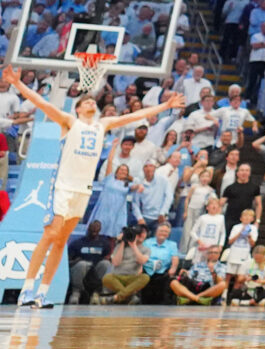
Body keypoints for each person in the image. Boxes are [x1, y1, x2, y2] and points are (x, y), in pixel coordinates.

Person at [2, 69, 164, 308]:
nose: (90, 101)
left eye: (92, 100)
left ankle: (42, 294)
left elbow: (135, 115)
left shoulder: (103, 124)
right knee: (51, 235)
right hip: (63, 187)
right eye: (86, 101)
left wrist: (165, 105)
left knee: (60, 242)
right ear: (78, 108)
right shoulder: (70, 122)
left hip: (83, 190)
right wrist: (17, 84)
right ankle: (27, 289)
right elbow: (41, 103)